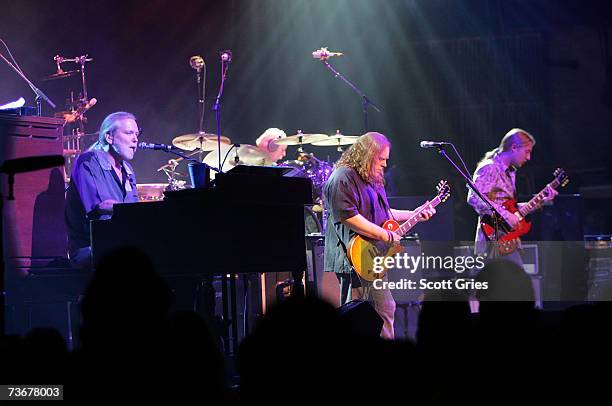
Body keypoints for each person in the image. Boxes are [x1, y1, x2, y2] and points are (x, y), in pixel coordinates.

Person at [323, 132, 436, 339]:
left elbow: (385, 213)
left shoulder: (371, 178)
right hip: (353, 258)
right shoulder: (343, 177)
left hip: (371, 257)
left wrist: (415, 214)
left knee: (379, 310)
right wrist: (385, 235)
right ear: (367, 155)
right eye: (381, 158)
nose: (385, 164)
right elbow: (348, 217)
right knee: (365, 312)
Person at [467, 128, 558, 266]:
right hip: (492, 241)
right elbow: (474, 198)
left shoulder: (510, 172)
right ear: (514, 147)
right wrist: (504, 215)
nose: (528, 157)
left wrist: (542, 201)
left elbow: (511, 209)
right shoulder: (490, 168)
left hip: (509, 242)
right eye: (527, 152)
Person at [65, 112, 140, 269]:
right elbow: (101, 209)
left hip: (120, 245)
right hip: (90, 250)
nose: (135, 139)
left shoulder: (128, 170)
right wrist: (145, 214)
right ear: (109, 137)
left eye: (137, 134)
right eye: (129, 133)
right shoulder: (88, 162)